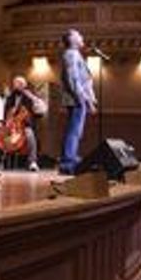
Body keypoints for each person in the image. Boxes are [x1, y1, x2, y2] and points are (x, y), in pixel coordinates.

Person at [58, 28, 96, 174]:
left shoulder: (75, 54)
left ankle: (70, 158)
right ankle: (68, 161)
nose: (82, 37)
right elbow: (73, 79)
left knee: (76, 130)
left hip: (77, 98)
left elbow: (82, 79)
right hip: (76, 99)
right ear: (72, 39)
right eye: (79, 35)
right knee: (74, 130)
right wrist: (83, 99)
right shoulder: (71, 54)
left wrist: (90, 99)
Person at [0, 75, 46, 171]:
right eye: (15, 84)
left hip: (24, 125)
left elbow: (40, 111)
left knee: (30, 135)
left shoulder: (29, 97)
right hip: (10, 124)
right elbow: (6, 112)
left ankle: (32, 162)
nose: (16, 86)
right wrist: (5, 122)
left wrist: (32, 98)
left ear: (24, 85)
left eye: (19, 84)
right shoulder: (10, 97)